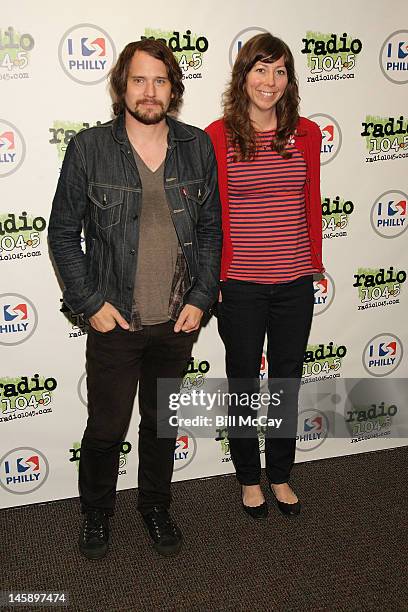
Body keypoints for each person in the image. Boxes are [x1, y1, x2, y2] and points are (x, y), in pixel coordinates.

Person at [48, 39, 222, 558]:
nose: (150, 92)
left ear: (174, 88)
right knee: (104, 429)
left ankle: (155, 506)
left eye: (161, 80)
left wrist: (201, 295)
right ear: (122, 86)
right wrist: (89, 302)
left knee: (161, 424)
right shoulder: (89, 148)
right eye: (140, 80)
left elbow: (211, 231)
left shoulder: (196, 147)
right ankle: (97, 515)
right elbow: (62, 233)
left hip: (177, 319)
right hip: (115, 322)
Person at [206, 33, 323, 519]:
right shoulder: (216, 135)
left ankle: (279, 474)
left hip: (295, 282)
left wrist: (314, 261)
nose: (269, 81)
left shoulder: (307, 133)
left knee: (285, 383)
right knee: (242, 384)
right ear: (243, 77)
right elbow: (208, 213)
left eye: (279, 71)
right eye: (260, 69)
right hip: (241, 286)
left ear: (288, 80)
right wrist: (212, 276)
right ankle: (248, 478)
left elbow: (311, 200)